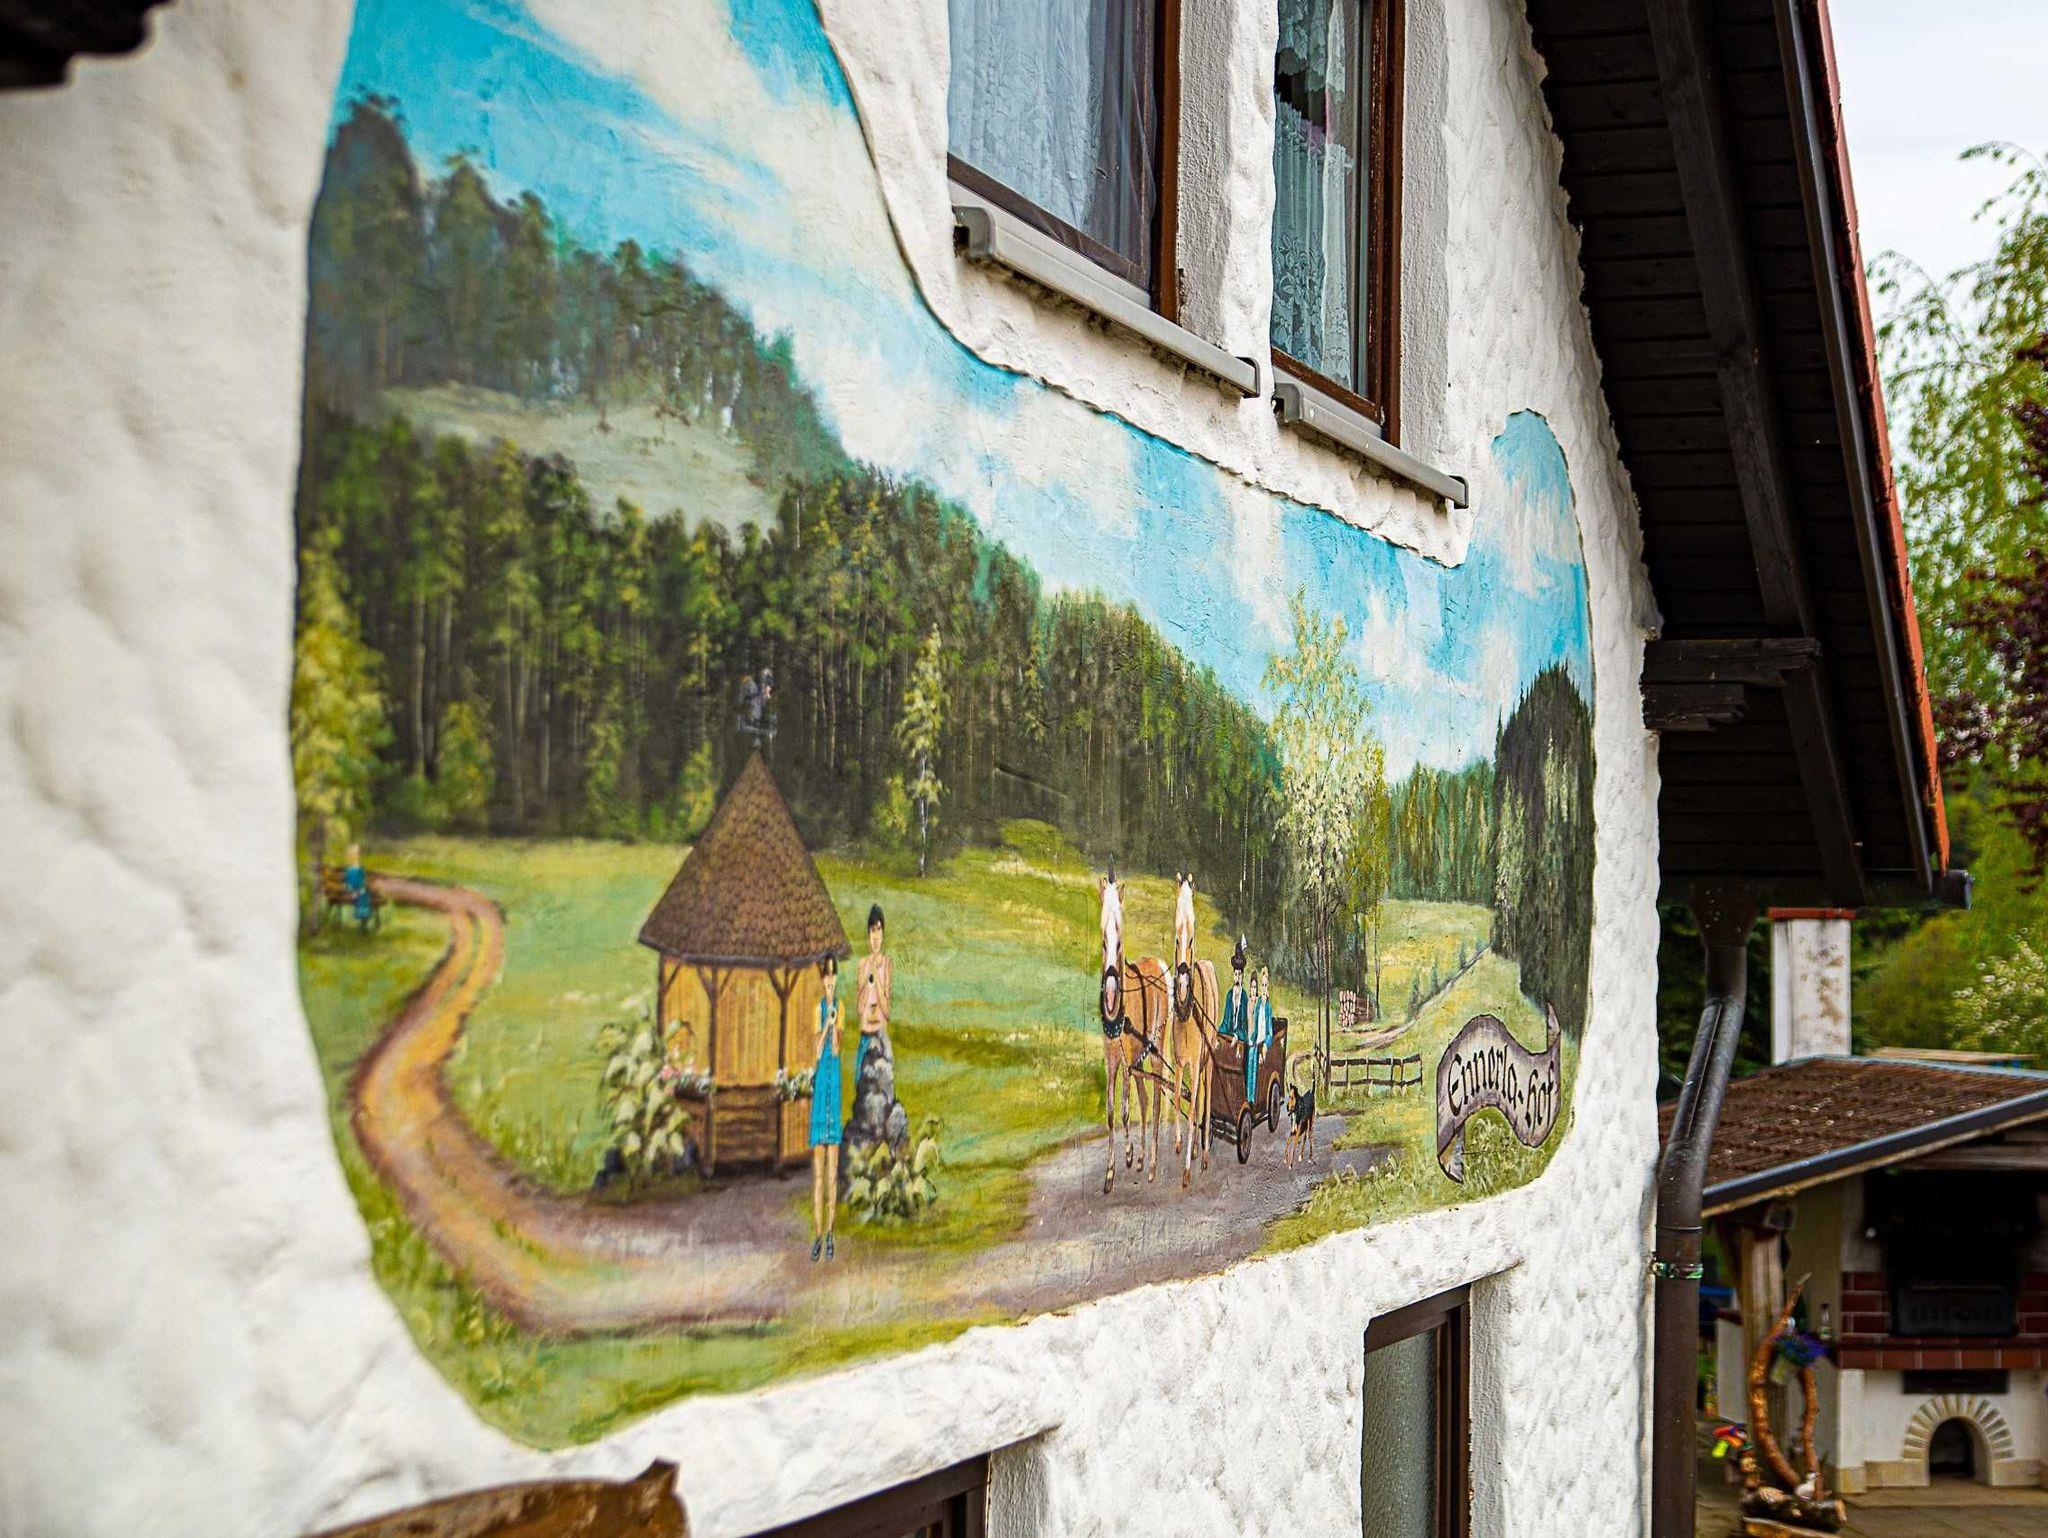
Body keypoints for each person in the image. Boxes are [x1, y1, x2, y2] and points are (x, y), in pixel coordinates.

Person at [808, 955, 843, 1261]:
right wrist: (827, 1023)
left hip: (835, 1090)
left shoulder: (840, 1007)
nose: (830, 980)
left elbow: (836, 1048)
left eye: (833, 975)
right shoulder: (818, 1009)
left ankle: (831, 1232)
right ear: (822, 979)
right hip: (821, 1092)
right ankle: (818, 1234)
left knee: (832, 1175)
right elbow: (817, 1052)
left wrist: (835, 1022)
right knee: (818, 1176)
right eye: (826, 975)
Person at [854, 903, 893, 1089]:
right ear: (868, 935)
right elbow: (860, 1008)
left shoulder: (887, 964)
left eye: (878, 930)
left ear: (883, 933)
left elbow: (887, 1011)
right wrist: (865, 981)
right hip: (865, 1038)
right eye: (872, 931)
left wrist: (876, 979)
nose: (875, 937)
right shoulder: (862, 965)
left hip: (880, 1040)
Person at [1249, 966, 1275, 1109]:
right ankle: (1249, 1096)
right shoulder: (1259, 1003)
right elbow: (1255, 1024)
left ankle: (1254, 1100)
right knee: (1250, 1060)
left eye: (1265, 985)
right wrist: (1252, 1039)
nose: (1263, 988)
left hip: (1262, 1043)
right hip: (1255, 1041)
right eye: (1262, 985)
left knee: (1257, 1067)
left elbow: (1269, 1032)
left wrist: (1265, 1046)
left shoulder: (1268, 1008)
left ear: (1268, 986)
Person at [343, 843, 374, 931]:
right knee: (362, 896)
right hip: (352, 890)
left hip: (360, 890)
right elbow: (348, 882)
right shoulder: (350, 869)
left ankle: (363, 922)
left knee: (364, 895)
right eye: (355, 853)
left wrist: (362, 888)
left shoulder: (359, 868)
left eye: (358, 853)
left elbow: (363, 880)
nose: (357, 856)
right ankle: (363, 922)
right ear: (351, 855)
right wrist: (353, 891)